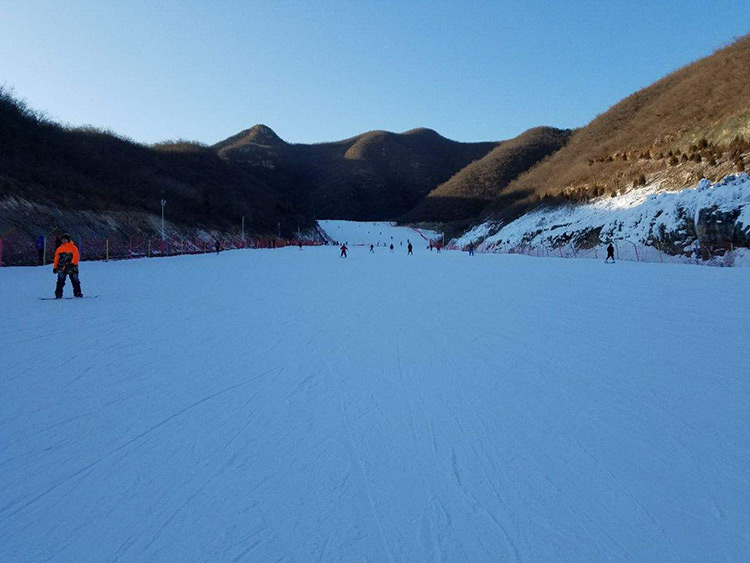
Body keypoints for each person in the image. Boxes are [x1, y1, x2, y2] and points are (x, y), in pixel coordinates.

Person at [53, 233, 83, 298]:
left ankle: (78, 293)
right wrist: (55, 267)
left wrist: (73, 263)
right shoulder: (59, 249)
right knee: (60, 280)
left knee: (75, 280)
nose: (64, 241)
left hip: (72, 267)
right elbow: (56, 258)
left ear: (68, 240)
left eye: (65, 239)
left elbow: (76, 256)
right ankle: (58, 294)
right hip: (61, 267)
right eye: (63, 239)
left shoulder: (73, 248)